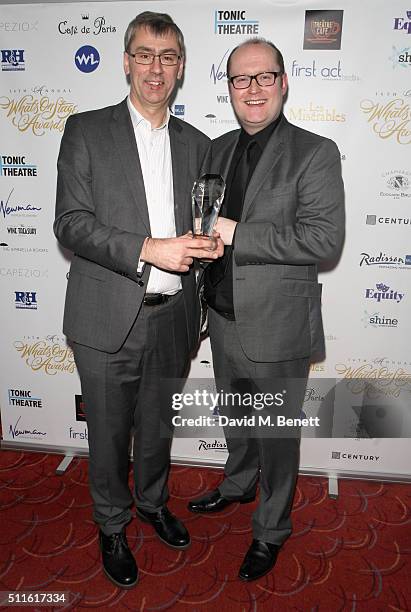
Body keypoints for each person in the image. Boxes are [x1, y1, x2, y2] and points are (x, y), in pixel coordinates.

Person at [54, 11, 222, 589]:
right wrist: (150, 248)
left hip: (174, 317)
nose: (157, 67)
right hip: (106, 317)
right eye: (145, 54)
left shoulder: (199, 145)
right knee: (107, 433)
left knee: (156, 429)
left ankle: (152, 503)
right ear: (126, 61)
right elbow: (70, 224)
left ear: (180, 69)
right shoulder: (85, 131)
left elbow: (202, 229)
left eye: (168, 56)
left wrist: (207, 246)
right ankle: (112, 522)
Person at [188, 38, 345, 581]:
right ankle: (236, 485)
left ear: (283, 82)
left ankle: (272, 528)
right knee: (234, 420)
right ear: (229, 88)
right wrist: (207, 244)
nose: (252, 89)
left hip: (278, 327)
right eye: (240, 79)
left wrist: (239, 234)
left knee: (276, 436)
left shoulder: (315, 151)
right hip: (223, 318)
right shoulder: (218, 148)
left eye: (263, 77)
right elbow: (210, 222)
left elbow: (324, 240)